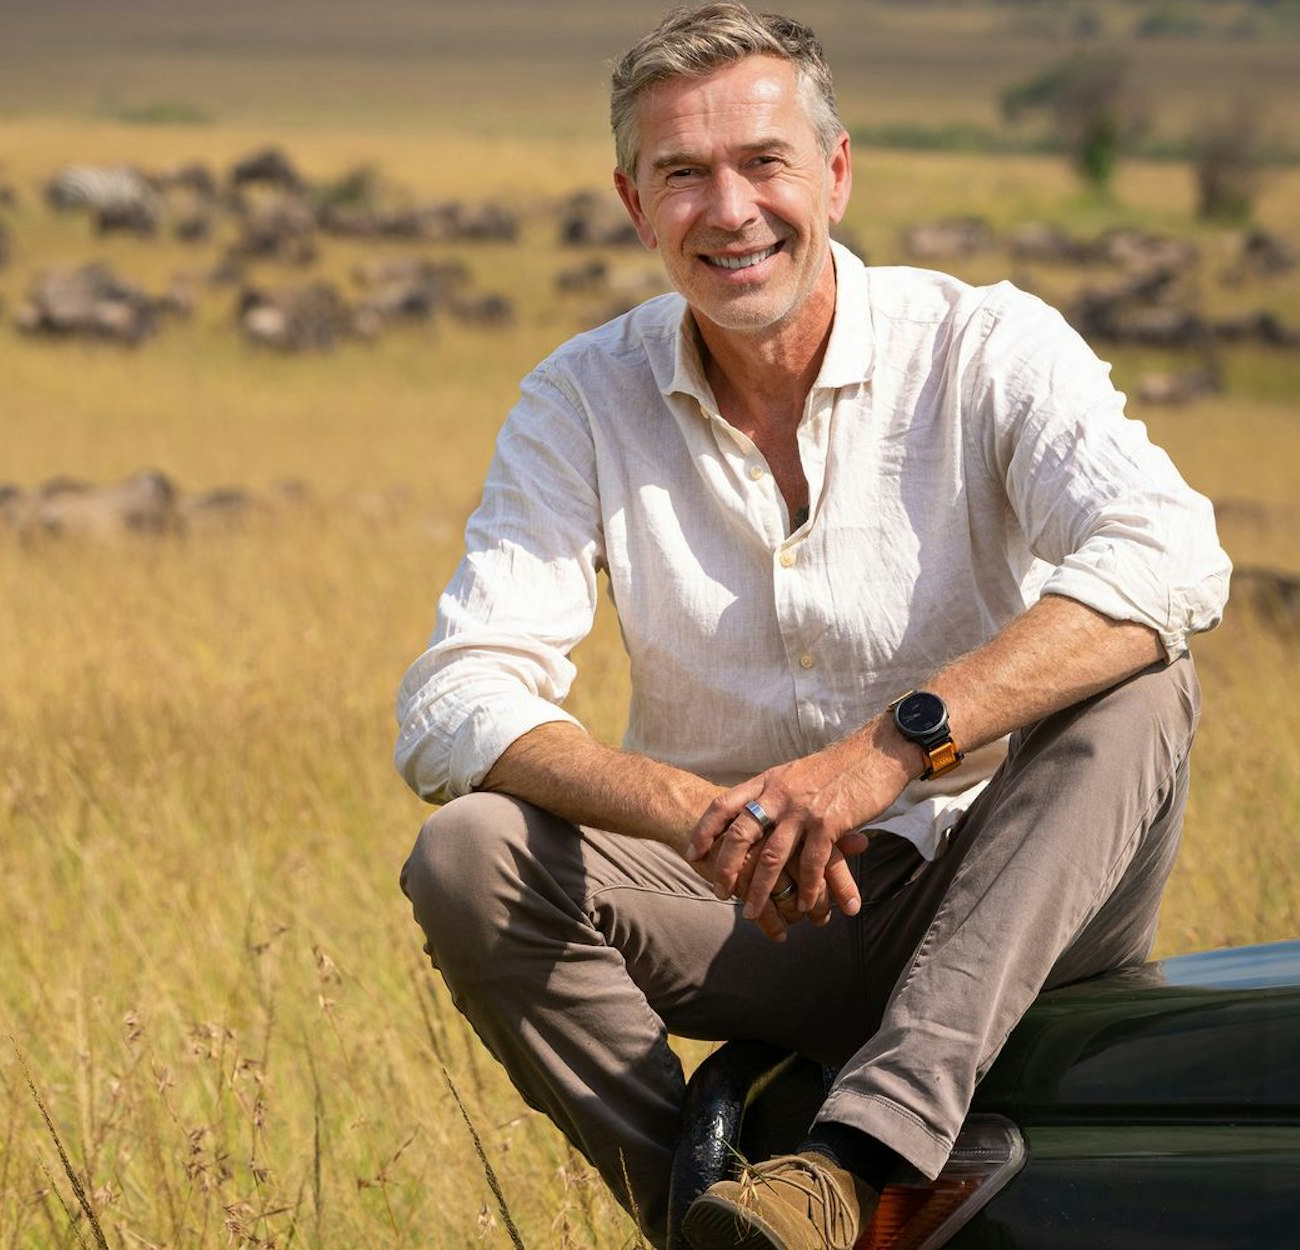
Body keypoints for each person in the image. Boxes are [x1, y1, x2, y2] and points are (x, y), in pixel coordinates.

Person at [393, 5, 1231, 1249]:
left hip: (1000, 883)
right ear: (634, 203)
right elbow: (456, 698)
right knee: (470, 852)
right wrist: (687, 810)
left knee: (1138, 680)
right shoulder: (580, 396)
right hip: (745, 900)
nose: (727, 210)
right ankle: (711, 1209)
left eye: (761, 162)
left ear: (833, 172)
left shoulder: (982, 343)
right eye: (681, 174)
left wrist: (885, 752)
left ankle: (852, 1159)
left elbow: (1170, 551)